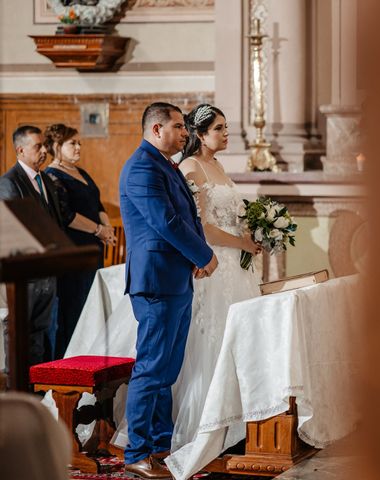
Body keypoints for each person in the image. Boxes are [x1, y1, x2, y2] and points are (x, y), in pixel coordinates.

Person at [119, 102, 218, 479]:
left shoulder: (165, 164)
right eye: (178, 127)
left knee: (167, 369)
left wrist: (193, 257)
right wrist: (204, 255)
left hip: (175, 275)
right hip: (156, 280)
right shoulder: (142, 166)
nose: (184, 133)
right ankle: (137, 452)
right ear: (156, 129)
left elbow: (187, 216)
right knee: (151, 368)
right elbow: (166, 222)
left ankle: (159, 443)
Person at [164, 104, 262, 478]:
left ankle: (238, 421)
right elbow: (202, 229)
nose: (226, 134)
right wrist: (242, 244)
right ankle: (208, 424)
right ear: (200, 134)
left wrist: (253, 235)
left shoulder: (219, 167)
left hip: (236, 267)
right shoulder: (190, 168)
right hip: (214, 266)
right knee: (215, 341)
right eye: (220, 128)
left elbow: (232, 217)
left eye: (226, 127)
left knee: (238, 341)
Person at [43, 123, 116, 358]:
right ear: (57, 146)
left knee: (92, 305)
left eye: (79, 143)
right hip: (74, 250)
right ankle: (69, 362)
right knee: (75, 307)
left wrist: (107, 227)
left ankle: (91, 359)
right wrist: (98, 230)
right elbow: (67, 215)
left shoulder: (81, 172)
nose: (78, 148)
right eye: (72, 143)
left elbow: (98, 203)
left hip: (93, 248)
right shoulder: (52, 176)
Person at [0, 125, 63, 367]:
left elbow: (54, 220)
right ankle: (16, 392)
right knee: (18, 332)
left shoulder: (44, 178)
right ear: (20, 150)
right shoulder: (9, 183)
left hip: (48, 271)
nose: (44, 151)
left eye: (44, 145)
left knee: (39, 332)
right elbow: (14, 228)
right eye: (38, 146)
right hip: (24, 273)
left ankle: (34, 393)